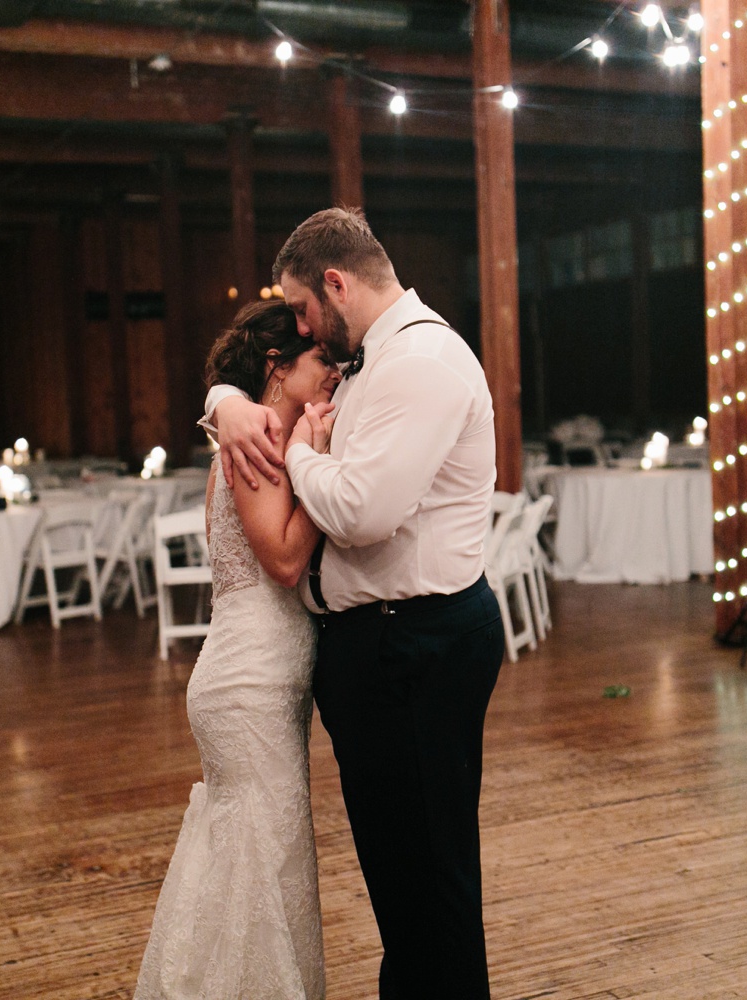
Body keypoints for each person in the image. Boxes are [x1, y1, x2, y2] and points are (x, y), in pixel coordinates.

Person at [205, 207, 504, 1000]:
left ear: (337, 284)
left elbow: (365, 512)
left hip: (416, 643)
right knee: (402, 876)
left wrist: (300, 452)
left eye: (304, 307)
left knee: (429, 872)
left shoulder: (423, 361)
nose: (304, 326)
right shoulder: (374, 361)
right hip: (379, 646)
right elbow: (265, 384)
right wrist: (227, 400)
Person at [135, 300, 340, 1000]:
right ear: (278, 369)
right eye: (324, 364)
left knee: (259, 857)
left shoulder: (260, 434)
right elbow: (283, 562)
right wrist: (318, 467)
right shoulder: (259, 446)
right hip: (248, 682)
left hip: (254, 673)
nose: (334, 377)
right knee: (257, 857)